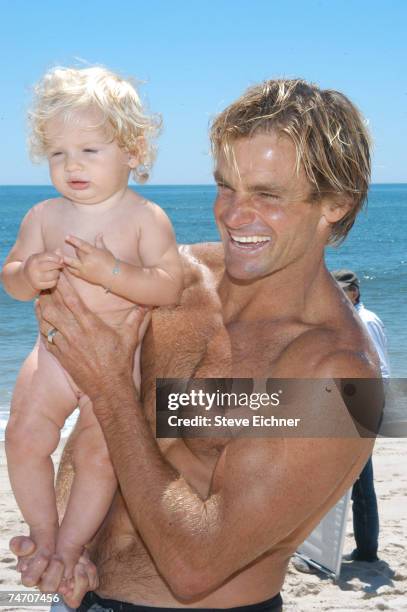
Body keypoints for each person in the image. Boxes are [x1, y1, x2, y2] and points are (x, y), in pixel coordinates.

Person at [9, 79, 383, 612]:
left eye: (267, 195)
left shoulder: (338, 379)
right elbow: (95, 421)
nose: (233, 214)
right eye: (226, 186)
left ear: (334, 206)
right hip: (78, 593)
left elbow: (197, 567)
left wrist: (111, 387)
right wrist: (62, 543)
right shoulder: (175, 281)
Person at [2, 66, 183, 586]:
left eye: (89, 151)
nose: (71, 165)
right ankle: (44, 533)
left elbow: (169, 285)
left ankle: (71, 546)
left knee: (98, 457)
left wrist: (114, 273)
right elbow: (10, 278)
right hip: (53, 355)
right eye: (58, 153)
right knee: (22, 436)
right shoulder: (43, 216)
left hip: (115, 364)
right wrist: (27, 275)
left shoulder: (146, 218)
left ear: (132, 152)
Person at [333, 269, 390, 562]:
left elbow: (380, 371)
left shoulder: (365, 322)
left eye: (340, 291)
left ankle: (367, 552)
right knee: (355, 478)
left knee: (360, 479)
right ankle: (364, 550)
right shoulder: (351, 321)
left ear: (354, 292)